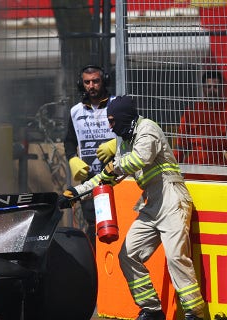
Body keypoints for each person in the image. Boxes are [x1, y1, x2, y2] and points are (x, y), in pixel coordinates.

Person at [60, 95, 206, 320]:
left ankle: (195, 313)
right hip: (152, 204)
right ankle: (151, 309)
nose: (110, 126)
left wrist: (113, 167)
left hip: (172, 199)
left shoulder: (148, 129)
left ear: (123, 117)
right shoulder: (124, 141)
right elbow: (107, 177)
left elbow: (140, 159)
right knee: (128, 255)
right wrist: (77, 194)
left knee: (176, 257)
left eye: (112, 120)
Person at [64, 65, 117, 249]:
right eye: (87, 82)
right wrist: (72, 158)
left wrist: (116, 144)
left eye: (96, 81)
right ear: (82, 84)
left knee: (118, 223)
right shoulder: (75, 111)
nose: (91, 86)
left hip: (117, 176)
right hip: (90, 179)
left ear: (104, 81)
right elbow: (69, 141)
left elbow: (131, 134)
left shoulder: (116, 104)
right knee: (94, 225)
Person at [174, 70, 227, 166]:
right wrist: (174, 168)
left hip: (221, 170)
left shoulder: (225, 111)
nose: (212, 90)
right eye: (209, 86)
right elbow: (181, 145)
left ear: (221, 89)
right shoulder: (192, 111)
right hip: (195, 169)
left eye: (216, 87)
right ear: (203, 88)